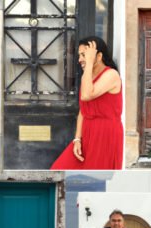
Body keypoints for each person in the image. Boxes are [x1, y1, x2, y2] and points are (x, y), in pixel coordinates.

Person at [51, 37, 123, 170]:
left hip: (105, 133)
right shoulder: (88, 76)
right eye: (80, 55)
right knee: (58, 169)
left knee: (95, 180)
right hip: (87, 132)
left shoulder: (111, 75)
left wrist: (89, 64)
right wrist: (77, 139)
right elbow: (83, 111)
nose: (80, 60)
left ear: (99, 56)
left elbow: (86, 95)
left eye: (84, 55)